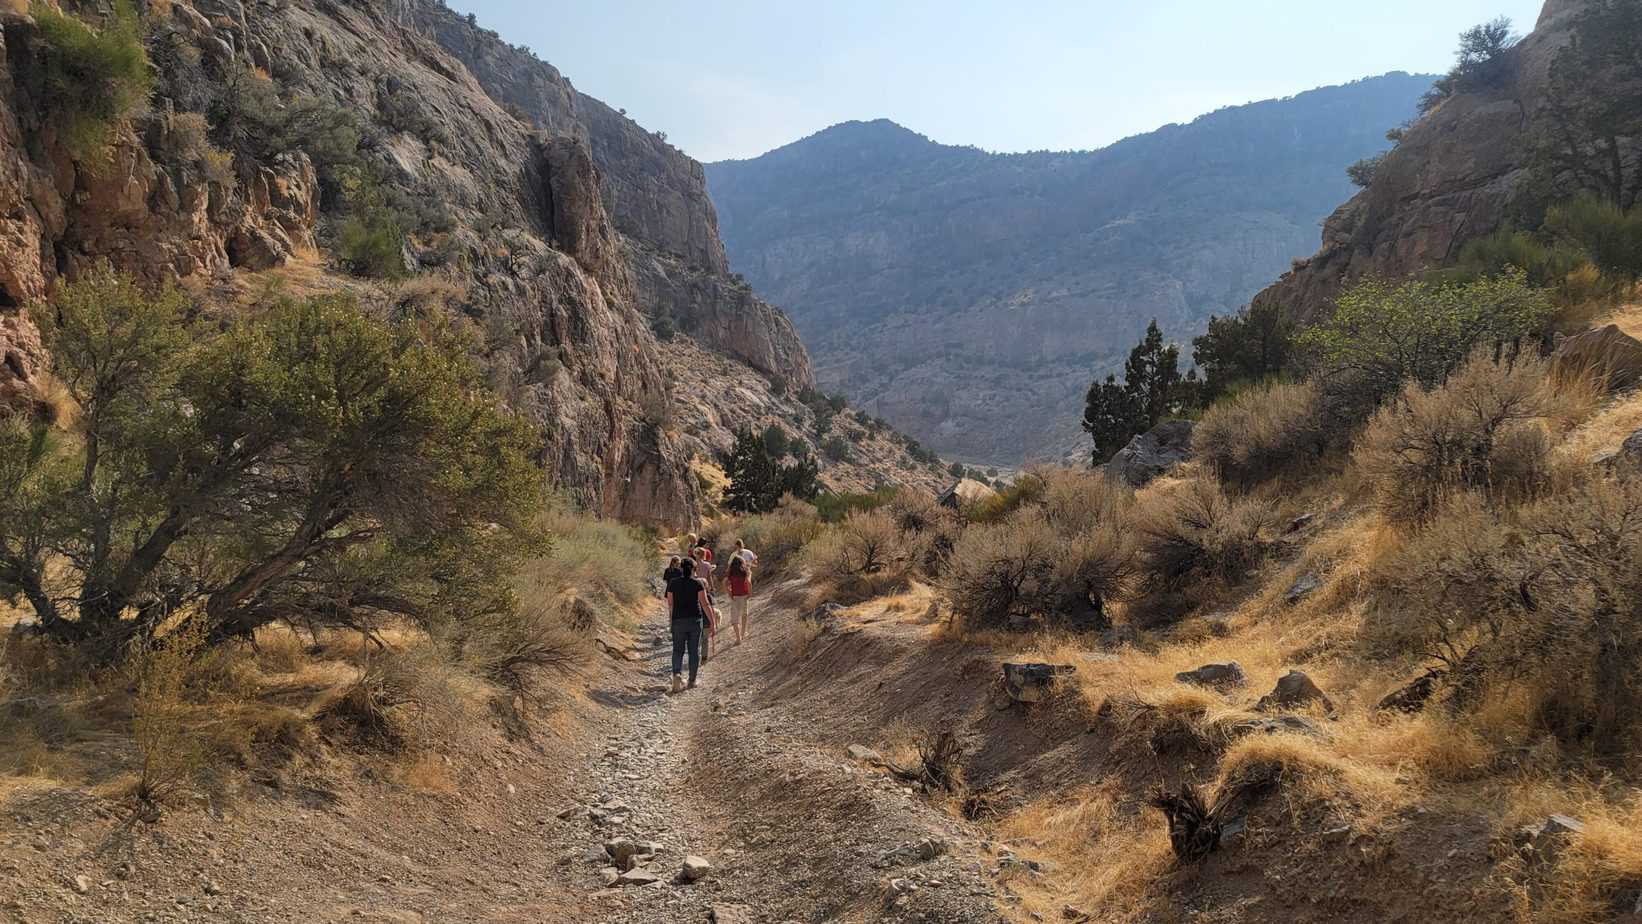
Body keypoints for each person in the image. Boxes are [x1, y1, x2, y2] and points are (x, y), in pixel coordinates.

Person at [665, 559, 716, 692]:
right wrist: (712, 622)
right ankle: (691, 681)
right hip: (695, 621)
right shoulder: (698, 583)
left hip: (678, 621)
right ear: (694, 569)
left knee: (677, 650)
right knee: (694, 651)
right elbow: (705, 604)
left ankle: (677, 674)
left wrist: (671, 621)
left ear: (681, 568)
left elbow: (670, 604)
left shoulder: (673, 583)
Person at [690, 547, 715, 663]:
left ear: (696, 554)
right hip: (705, 588)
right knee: (707, 606)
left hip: (694, 590)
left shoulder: (693, 565)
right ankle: (704, 655)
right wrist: (711, 588)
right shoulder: (707, 565)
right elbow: (709, 577)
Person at [725, 552, 752, 644]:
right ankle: (743, 634)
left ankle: (738, 638)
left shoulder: (731, 574)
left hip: (735, 597)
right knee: (744, 615)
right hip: (744, 596)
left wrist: (730, 594)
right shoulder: (744, 572)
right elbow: (748, 583)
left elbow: (725, 584)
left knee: (735, 619)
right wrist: (749, 593)